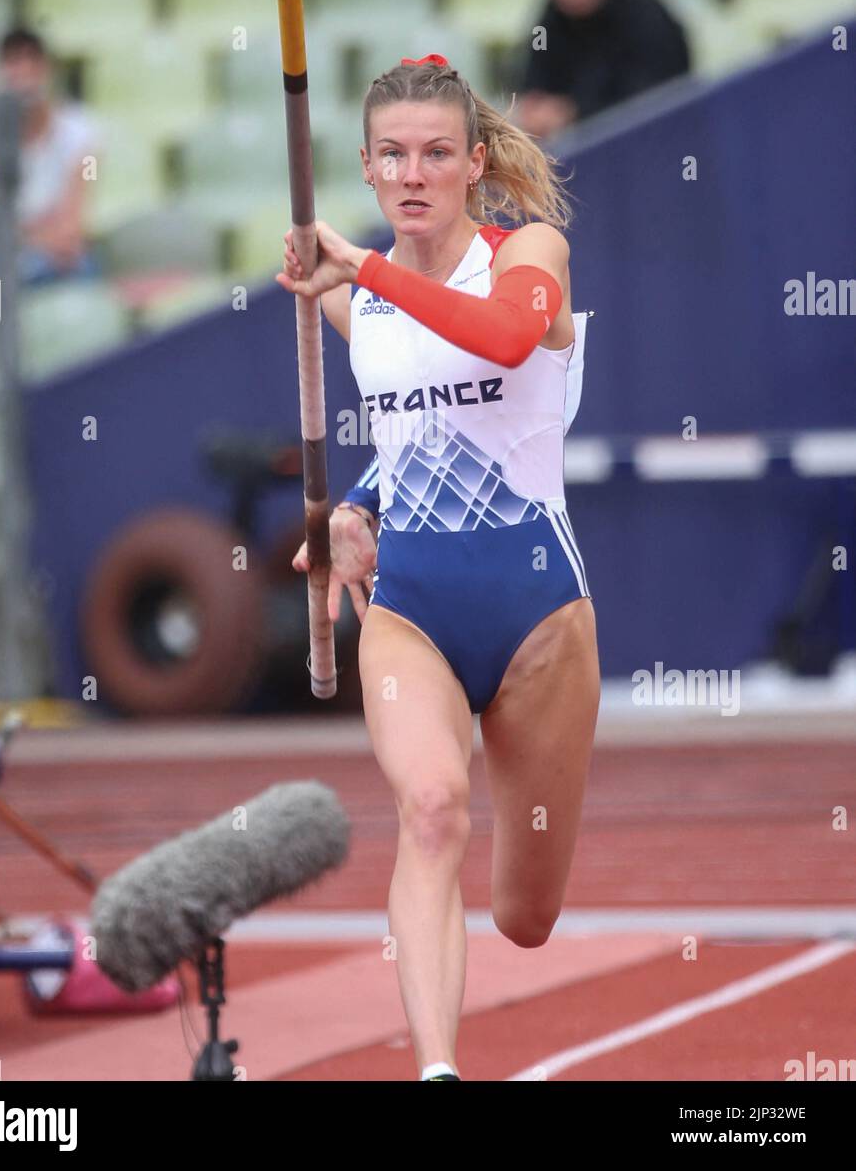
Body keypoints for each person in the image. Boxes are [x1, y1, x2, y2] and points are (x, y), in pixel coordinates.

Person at [276, 53, 600, 1082]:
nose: (414, 174)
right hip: (409, 611)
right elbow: (414, 430)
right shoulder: (358, 308)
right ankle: (437, 1070)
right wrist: (352, 511)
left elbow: (504, 346)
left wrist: (366, 271)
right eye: (393, 156)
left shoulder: (525, 254)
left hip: (541, 618)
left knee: (526, 916)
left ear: (472, 163)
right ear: (367, 169)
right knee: (429, 808)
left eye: (436, 154)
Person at [0, 26, 100, 284]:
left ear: (48, 69)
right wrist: (42, 237)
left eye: (31, 60)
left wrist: (48, 239)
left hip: (53, 254)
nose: (23, 71)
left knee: (85, 275)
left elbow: (74, 218)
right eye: (12, 61)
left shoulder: (83, 132)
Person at [515, 0, 690, 140]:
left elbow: (655, 98)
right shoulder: (552, 16)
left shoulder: (646, 16)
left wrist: (573, 113)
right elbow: (533, 72)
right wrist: (535, 105)